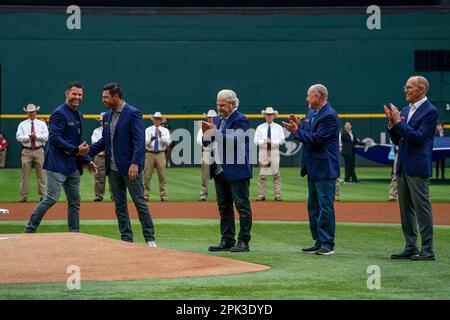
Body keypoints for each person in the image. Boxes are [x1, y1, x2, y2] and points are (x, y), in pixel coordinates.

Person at [89, 83, 156, 247]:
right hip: (112, 169)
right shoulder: (106, 116)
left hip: (129, 168)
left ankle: (150, 238)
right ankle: (127, 239)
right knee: (119, 206)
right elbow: (105, 141)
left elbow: (139, 142)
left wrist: (135, 164)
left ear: (116, 97)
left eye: (105, 96)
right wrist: (86, 151)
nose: (102, 99)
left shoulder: (132, 113)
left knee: (140, 202)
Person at [24, 82, 96, 233]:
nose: (77, 97)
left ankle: (74, 232)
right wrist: (75, 150)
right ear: (67, 94)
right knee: (51, 198)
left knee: (75, 201)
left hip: (73, 166)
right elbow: (55, 138)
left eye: (80, 95)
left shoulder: (80, 115)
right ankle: (30, 229)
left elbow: (78, 142)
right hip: (57, 165)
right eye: (74, 94)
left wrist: (88, 160)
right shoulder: (59, 113)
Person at [384, 75, 438, 261]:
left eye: (409, 87)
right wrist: (392, 124)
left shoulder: (430, 111)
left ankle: (428, 249)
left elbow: (418, 137)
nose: (405, 90)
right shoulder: (406, 110)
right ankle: (410, 246)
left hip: (417, 165)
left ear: (421, 89)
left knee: (421, 208)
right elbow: (399, 139)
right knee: (405, 209)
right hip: (403, 165)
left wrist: (399, 123)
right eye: (405, 87)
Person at [283, 84, 339, 256]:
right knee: (313, 207)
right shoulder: (311, 113)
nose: (306, 99)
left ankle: (327, 243)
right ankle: (318, 240)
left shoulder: (329, 115)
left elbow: (317, 139)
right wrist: (298, 125)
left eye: (308, 96)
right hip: (313, 167)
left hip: (325, 167)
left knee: (325, 207)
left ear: (317, 96)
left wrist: (296, 130)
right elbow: (308, 132)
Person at [202, 89, 253, 253]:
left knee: (242, 206)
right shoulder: (216, 119)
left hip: (237, 169)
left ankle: (244, 241)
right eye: (218, 104)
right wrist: (206, 134)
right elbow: (207, 144)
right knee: (224, 207)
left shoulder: (241, 120)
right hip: (219, 169)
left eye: (222, 105)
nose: (219, 108)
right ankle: (227, 239)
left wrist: (214, 131)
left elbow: (234, 142)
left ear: (232, 104)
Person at [16, 104, 49, 202]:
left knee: (42, 174)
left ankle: (43, 196)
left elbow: (46, 137)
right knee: (24, 175)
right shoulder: (22, 124)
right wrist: (29, 137)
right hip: (26, 150)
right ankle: (23, 197)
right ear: (27, 113)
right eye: (29, 112)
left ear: (36, 112)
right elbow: (18, 137)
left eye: (33, 111)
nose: (31, 113)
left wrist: (36, 136)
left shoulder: (41, 124)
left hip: (39, 150)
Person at [254, 106, 285, 201]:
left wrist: (272, 142)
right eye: (267, 115)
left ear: (273, 116)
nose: (269, 117)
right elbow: (255, 141)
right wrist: (264, 141)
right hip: (263, 151)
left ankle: (277, 195)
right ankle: (261, 195)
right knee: (262, 174)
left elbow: (282, 140)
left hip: (274, 150)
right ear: (265, 116)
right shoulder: (260, 127)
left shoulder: (278, 127)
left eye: (270, 115)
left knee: (276, 173)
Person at [143, 112, 171, 202]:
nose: (156, 120)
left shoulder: (165, 131)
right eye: (155, 119)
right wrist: (150, 140)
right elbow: (144, 143)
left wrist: (160, 136)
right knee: (147, 175)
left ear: (161, 120)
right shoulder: (148, 130)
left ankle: (164, 196)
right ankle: (145, 195)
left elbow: (168, 142)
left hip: (160, 153)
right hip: (149, 153)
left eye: (158, 119)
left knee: (162, 175)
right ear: (153, 120)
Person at [197, 109, 217, 201]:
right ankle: (203, 195)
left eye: (213, 117)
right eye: (209, 117)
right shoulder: (203, 127)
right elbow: (198, 141)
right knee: (205, 176)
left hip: (217, 152)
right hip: (206, 151)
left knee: (218, 175)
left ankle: (220, 195)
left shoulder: (218, 127)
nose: (211, 119)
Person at [91, 112, 112, 202]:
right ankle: (99, 196)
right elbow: (94, 142)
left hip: (111, 156)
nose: (102, 122)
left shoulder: (112, 129)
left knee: (113, 177)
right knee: (99, 176)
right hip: (100, 156)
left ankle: (115, 196)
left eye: (104, 121)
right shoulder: (96, 131)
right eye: (101, 121)